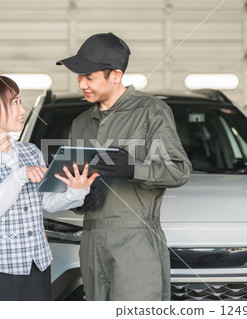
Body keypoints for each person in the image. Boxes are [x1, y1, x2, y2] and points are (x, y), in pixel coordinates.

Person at [56, 32, 192, 301]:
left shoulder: (151, 112)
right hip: (91, 240)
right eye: (79, 76)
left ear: (115, 75)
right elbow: (70, 182)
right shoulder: (81, 122)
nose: (81, 83)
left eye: (90, 77)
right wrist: (80, 199)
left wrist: (133, 168)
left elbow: (179, 169)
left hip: (136, 241)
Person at [0, 76, 98, 301]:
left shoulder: (30, 151)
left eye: (20, 101)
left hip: (37, 265)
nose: (22, 110)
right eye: (14, 103)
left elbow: (46, 202)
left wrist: (76, 191)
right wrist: (19, 176)